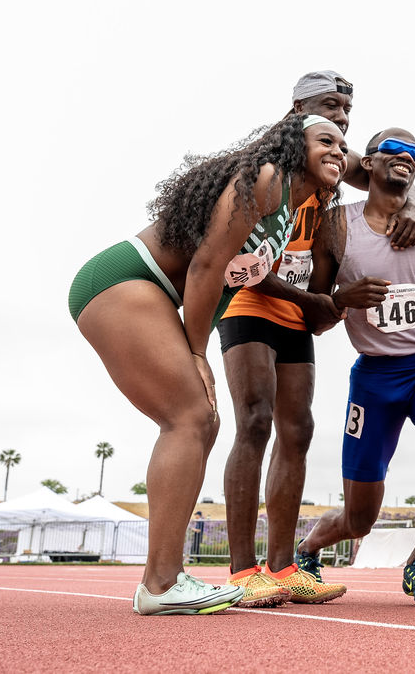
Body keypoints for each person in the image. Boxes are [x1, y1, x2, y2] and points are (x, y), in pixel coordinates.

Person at [69, 112, 347, 615]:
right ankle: (160, 584)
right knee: (190, 417)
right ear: (293, 144)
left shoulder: (294, 207)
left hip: (151, 294)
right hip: (126, 280)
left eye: (343, 147)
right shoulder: (268, 179)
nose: (338, 152)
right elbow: (206, 265)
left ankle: (166, 577)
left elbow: (228, 281)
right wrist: (197, 353)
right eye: (325, 140)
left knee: (204, 420)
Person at [218, 71, 415, 607]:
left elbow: (395, 174)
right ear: (296, 109)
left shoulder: (335, 156)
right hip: (247, 295)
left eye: (347, 111)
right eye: (329, 106)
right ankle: (242, 572)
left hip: (291, 308)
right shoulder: (268, 163)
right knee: (256, 418)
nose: (341, 119)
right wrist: (327, 302)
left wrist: (409, 208)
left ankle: (284, 567)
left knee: (299, 428)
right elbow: (242, 263)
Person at [301, 127, 415, 607]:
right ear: (368, 164)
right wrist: (340, 299)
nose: (406, 157)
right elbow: (314, 320)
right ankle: (311, 545)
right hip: (373, 378)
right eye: (394, 150)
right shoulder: (336, 225)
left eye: (414, 153)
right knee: (360, 521)